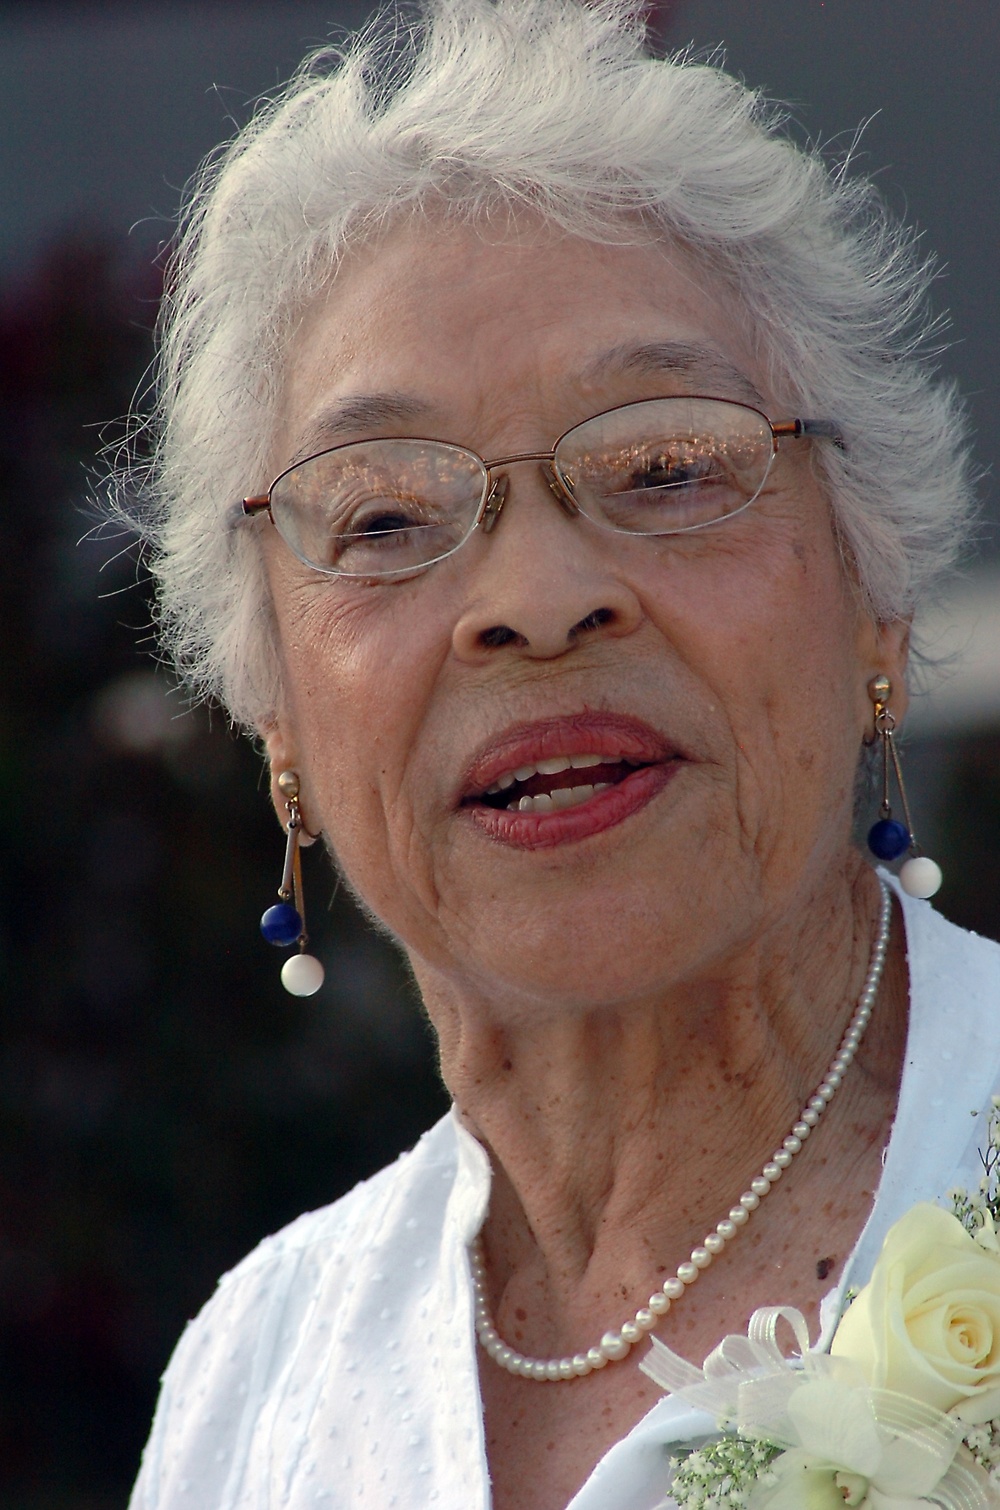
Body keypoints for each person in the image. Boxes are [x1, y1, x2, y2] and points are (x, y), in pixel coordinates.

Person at [121, 3, 1000, 1507]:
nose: (535, 602)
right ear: (279, 720)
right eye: (385, 516)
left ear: (876, 598)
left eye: (665, 468)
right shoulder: (258, 1379)